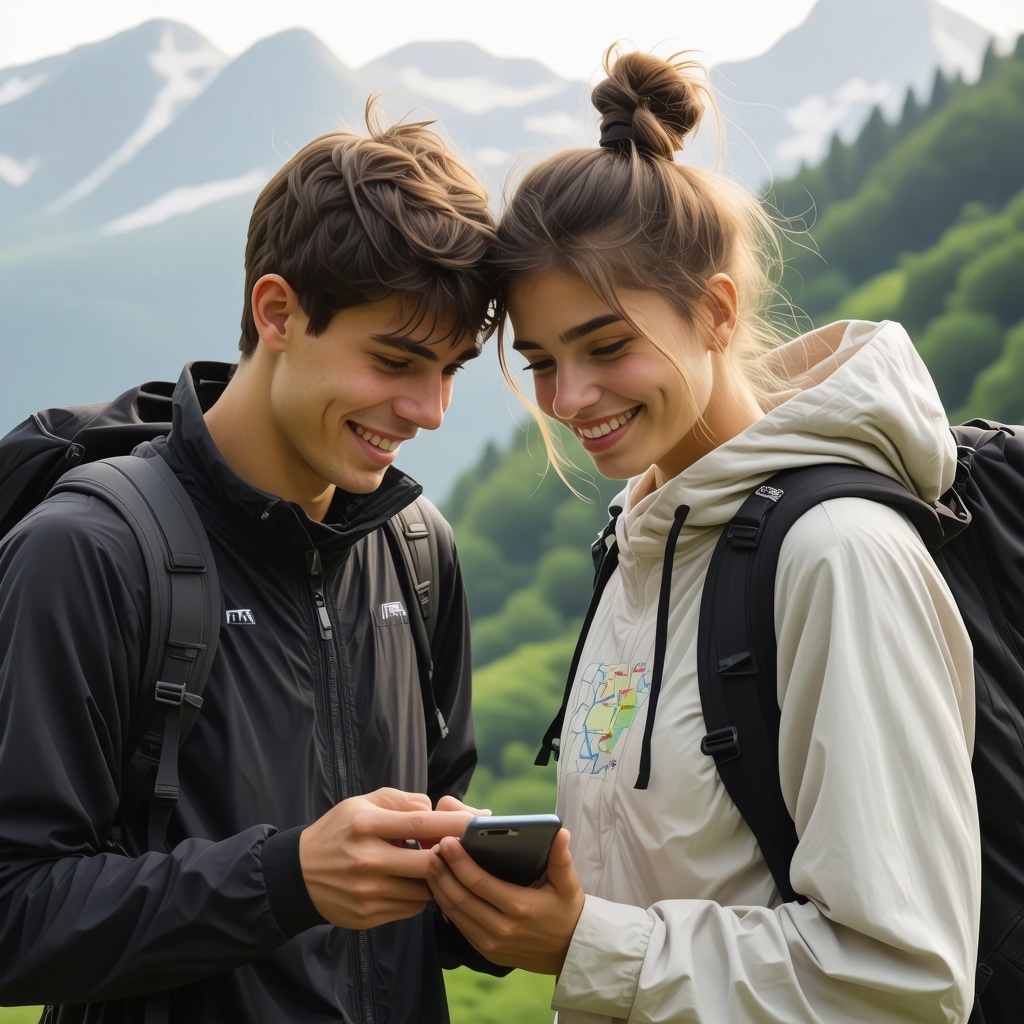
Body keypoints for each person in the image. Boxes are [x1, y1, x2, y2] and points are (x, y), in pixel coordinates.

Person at [426, 48, 981, 1023]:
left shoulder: (835, 556)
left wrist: (583, 946)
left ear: (714, 311)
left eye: (606, 346)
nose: (570, 399)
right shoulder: (643, 541)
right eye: (543, 360)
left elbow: (908, 978)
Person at [0, 106, 500, 1022]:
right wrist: (284, 880)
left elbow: (418, 871)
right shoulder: (86, 552)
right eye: (396, 359)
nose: (429, 409)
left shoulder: (419, 547)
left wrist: (493, 903)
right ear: (278, 311)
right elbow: (14, 911)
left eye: (454, 368)